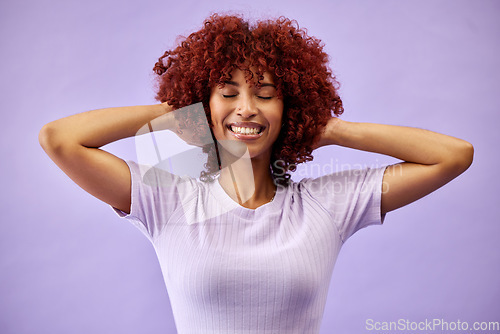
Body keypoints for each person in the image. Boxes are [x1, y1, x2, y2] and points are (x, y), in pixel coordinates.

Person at [38, 13, 473, 334]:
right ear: (205, 103)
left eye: (265, 94)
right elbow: (60, 139)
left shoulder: (326, 205)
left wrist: (336, 129)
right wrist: (183, 111)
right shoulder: (168, 199)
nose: (246, 108)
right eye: (228, 92)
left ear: (290, 109)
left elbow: (454, 155)